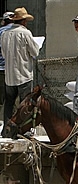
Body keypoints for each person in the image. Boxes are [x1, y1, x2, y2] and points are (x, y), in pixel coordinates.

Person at [1, 7, 39, 137]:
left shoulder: (5, 34)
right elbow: (35, 52)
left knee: (9, 103)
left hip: (10, 76)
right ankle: (24, 130)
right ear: (23, 21)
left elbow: (4, 54)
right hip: (24, 74)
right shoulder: (25, 33)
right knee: (25, 104)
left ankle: (6, 130)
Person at [0, 12, 14, 106]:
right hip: (14, 69)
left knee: (1, 96)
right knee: (11, 97)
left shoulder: (1, 31)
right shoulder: (20, 31)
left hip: (1, 68)